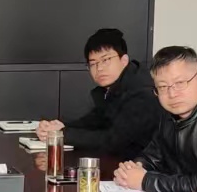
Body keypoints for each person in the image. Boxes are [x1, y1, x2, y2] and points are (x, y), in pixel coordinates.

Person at [112, 45, 197, 192]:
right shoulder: (168, 113)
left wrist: (145, 181)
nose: (172, 94)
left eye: (180, 83)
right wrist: (133, 169)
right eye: (163, 87)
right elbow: (153, 156)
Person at [36, 27, 163, 162]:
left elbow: (115, 141)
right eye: (93, 63)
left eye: (106, 60)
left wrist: (63, 134)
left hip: (144, 167)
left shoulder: (141, 92)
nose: (99, 68)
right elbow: (95, 121)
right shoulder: (114, 86)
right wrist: (59, 127)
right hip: (122, 162)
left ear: (124, 60)